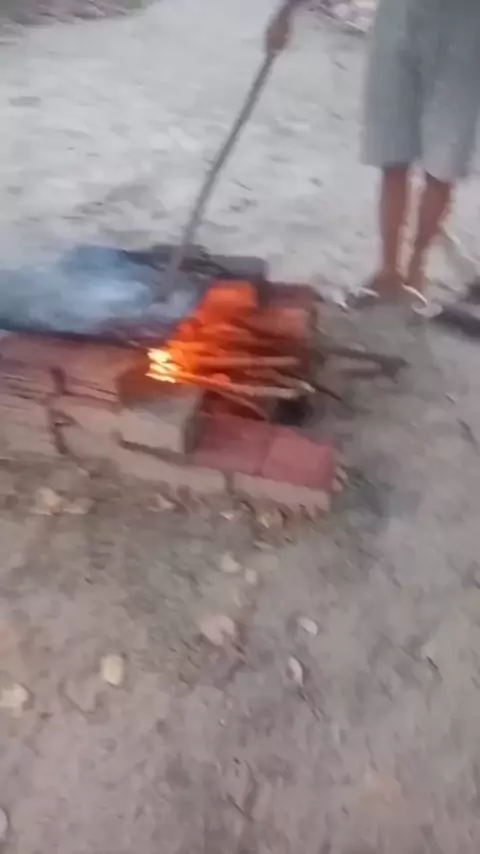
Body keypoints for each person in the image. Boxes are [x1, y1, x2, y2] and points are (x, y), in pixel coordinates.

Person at [267, 0, 480, 308]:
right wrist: (285, 12)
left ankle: (416, 267)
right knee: (393, 152)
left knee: (443, 161)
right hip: (400, 20)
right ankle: (389, 270)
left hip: (465, 29)